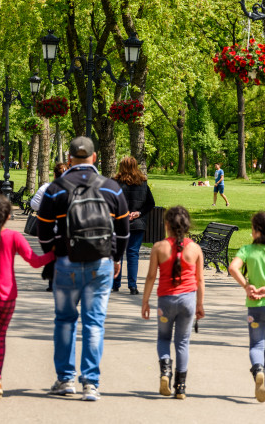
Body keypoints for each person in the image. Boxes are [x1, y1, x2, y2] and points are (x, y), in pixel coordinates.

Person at [37, 136, 130, 401]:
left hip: (66, 261)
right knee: (94, 323)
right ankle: (91, 382)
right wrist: (117, 259)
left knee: (65, 320)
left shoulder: (57, 188)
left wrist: (52, 254)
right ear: (95, 157)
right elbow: (123, 231)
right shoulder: (111, 188)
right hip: (101, 262)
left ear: (69, 159)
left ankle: (65, 379)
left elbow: (43, 228)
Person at [0, 195, 56, 399]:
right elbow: (35, 262)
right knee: (0, 337)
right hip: (8, 295)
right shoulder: (14, 237)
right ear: (9, 216)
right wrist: (53, 254)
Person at [141, 206, 204, 399]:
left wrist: (145, 302)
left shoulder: (159, 247)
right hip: (188, 301)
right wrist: (200, 305)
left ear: (166, 225)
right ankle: (181, 387)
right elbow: (200, 280)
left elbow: (151, 277)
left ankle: (165, 372)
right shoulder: (195, 248)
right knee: (183, 342)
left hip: (166, 300)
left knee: (163, 339)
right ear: (186, 226)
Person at [229, 211, 265, 403]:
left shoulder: (248, 250)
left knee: (257, 344)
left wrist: (246, 285)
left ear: (257, 231)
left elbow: (233, 267)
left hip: (255, 305)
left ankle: (259, 369)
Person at [113, 156, 156, 294]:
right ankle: (132, 286)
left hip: (119, 222)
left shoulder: (116, 183)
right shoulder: (143, 183)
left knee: (118, 253)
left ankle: (115, 283)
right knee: (133, 254)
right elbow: (150, 203)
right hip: (137, 223)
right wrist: (138, 213)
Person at [30, 162, 68, 292]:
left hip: (48, 227)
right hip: (65, 228)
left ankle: (52, 283)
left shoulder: (46, 188)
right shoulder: (72, 189)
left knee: (51, 254)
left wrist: (45, 208)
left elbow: (33, 204)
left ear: (54, 174)